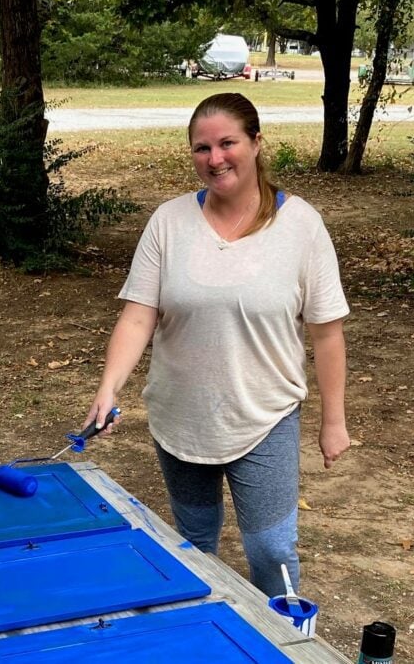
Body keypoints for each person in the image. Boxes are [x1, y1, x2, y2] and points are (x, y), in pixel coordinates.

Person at [85, 93, 350, 598]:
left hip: (263, 416)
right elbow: (139, 314)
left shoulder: (301, 226)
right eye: (201, 148)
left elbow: (327, 331)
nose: (215, 158)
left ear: (256, 142)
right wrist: (108, 387)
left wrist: (333, 422)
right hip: (180, 417)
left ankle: (280, 638)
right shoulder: (168, 221)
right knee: (194, 544)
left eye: (227, 143)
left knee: (272, 550)